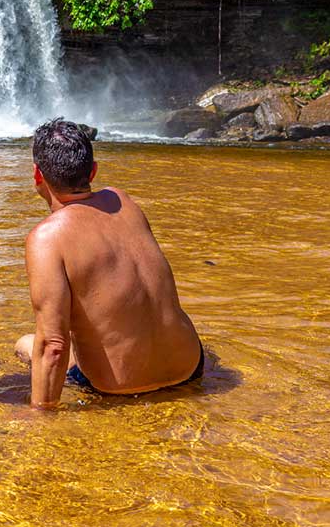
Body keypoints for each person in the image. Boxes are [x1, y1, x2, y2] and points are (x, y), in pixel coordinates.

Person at [15, 118, 203, 407]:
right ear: (93, 170)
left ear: (37, 175)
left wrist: (41, 420)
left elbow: (53, 346)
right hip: (191, 367)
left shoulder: (47, 238)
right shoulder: (122, 200)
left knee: (27, 344)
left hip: (121, 387)